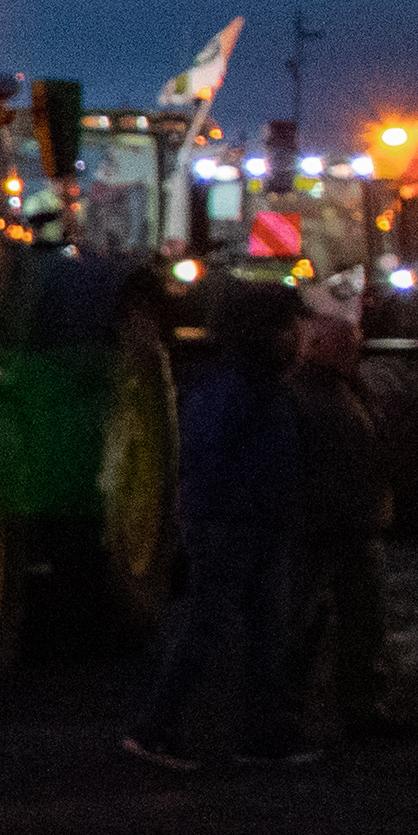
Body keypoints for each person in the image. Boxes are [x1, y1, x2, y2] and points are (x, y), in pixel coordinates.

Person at [128, 279, 309, 769]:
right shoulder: (238, 388)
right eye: (291, 327)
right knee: (209, 627)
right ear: (267, 332)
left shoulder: (250, 384)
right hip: (234, 525)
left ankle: (259, 734)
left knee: (263, 632)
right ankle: (155, 730)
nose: (299, 337)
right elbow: (208, 460)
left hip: (255, 522)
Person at [289, 299, 407, 743]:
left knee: (359, 626)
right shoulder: (310, 394)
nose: (350, 353)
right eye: (344, 345)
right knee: (309, 625)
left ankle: (358, 711)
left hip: (354, 526)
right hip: (327, 528)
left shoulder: (341, 390)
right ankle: (293, 715)